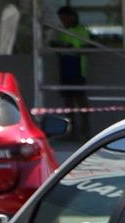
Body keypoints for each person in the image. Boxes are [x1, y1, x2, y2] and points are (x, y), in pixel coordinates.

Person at [54, 5, 90, 138]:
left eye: (65, 18)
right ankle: (71, 130)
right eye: (61, 18)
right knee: (68, 100)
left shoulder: (81, 30)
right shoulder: (62, 31)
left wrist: (71, 47)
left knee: (80, 99)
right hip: (65, 67)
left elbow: (85, 47)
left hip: (77, 68)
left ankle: (85, 129)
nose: (63, 21)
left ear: (72, 17)